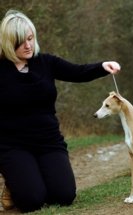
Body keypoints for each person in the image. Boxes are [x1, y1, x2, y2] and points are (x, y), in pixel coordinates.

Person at [0, 9, 121, 213]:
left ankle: (29, 178)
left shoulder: (46, 62)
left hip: (49, 141)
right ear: (8, 43)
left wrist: (102, 66)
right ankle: (14, 182)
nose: (28, 45)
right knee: (31, 201)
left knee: (64, 196)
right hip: (13, 145)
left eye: (30, 38)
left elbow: (78, 71)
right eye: (21, 41)